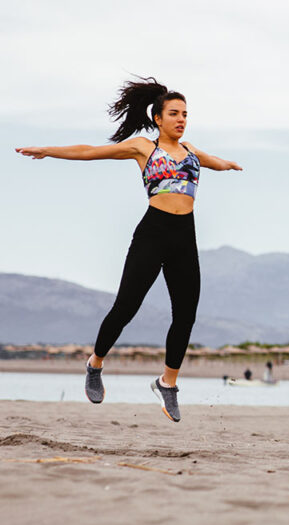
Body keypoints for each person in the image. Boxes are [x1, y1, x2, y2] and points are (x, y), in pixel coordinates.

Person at [15, 76, 242, 422]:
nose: (181, 119)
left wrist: (229, 165)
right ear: (158, 119)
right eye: (174, 114)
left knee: (186, 314)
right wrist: (49, 150)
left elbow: (213, 161)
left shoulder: (192, 151)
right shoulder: (143, 148)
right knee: (125, 308)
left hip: (185, 237)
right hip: (152, 234)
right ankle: (95, 363)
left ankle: (168, 383)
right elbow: (91, 153)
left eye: (185, 114)